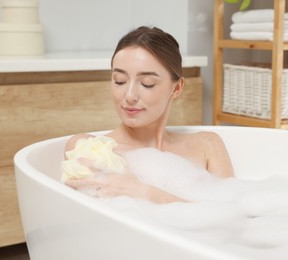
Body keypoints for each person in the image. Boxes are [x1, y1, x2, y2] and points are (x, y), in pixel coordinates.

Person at [63, 26, 234, 204]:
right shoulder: (89, 149)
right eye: (119, 81)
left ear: (176, 88)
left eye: (147, 83)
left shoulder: (208, 145)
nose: (129, 96)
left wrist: (145, 192)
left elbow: (232, 219)